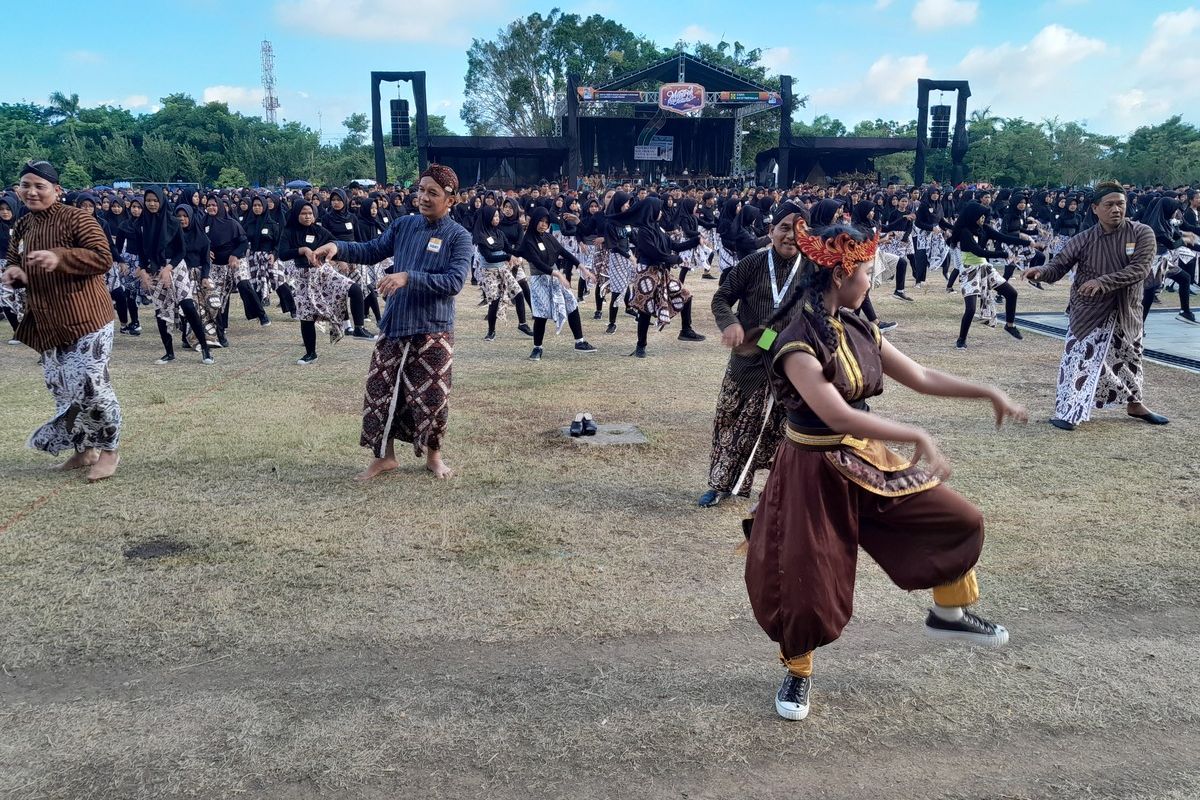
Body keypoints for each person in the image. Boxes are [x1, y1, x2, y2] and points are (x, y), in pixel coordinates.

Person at [745, 220, 1026, 721]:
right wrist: (915, 434)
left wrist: (987, 391)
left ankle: (948, 613)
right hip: (811, 471)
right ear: (840, 275)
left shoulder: (856, 324)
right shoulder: (795, 343)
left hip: (864, 456)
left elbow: (919, 375)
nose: (871, 281)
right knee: (806, 580)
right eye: (869, 272)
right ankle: (798, 672)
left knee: (957, 518)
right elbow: (833, 415)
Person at [312, 164, 472, 480]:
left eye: (432, 193)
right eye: (421, 190)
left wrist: (409, 277)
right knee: (380, 390)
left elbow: (454, 282)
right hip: (395, 323)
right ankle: (385, 457)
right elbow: (371, 250)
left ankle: (433, 457)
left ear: (450, 199)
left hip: (433, 328)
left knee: (433, 397)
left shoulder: (459, 236)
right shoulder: (404, 226)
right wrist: (337, 247)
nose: (423, 198)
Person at [1, 160, 122, 481]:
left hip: (87, 318)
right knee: (63, 390)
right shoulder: (24, 226)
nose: (31, 192)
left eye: (39, 186)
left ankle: (109, 450)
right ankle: (84, 451)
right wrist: (15, 273)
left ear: (57, 190)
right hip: (48, 321)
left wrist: (61, 257)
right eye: (25, 185)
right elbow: (16, 260)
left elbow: (102, 257)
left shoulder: (77, 218)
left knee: (92, 386)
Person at [1025, 181, 1169, 430]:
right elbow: (1059, 265)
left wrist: (1103, 281)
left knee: (1129, 359)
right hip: (1089, 310)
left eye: (1120, 204)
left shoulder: (1141, 232)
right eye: (1109, 204)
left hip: (1126, 308)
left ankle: (1135, 404)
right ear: (1095, 208)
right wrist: (1041, 271)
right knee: (1079, 359)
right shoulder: (1084, 239)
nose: (1116, 209)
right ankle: (1068, 410)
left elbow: (1140, 269)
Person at [701, 201, 805, 507]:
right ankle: (719, 485)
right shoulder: (753, 263)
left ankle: (778, 493)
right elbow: (721, 299)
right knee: (729, 423)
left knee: (787, 433)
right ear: (771, 231)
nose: (790, 236)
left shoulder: (813, 272)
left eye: (798, 230)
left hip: (789, 367)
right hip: (747, 363)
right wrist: (731, 323)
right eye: (784, 228)